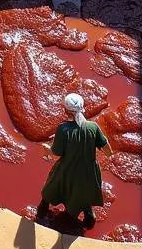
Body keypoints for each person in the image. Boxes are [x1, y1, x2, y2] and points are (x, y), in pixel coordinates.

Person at [38, 93, 112, 229]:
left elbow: (57, 153)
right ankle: (89, 219)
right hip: (89, 172)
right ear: (82, 108)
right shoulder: (93, 127)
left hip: (67, 169)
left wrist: (47, 150)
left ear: (66, 110)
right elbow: (108, 151)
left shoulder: (63, 129)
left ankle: (43, 210)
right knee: (83, 195)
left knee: (52, 188)